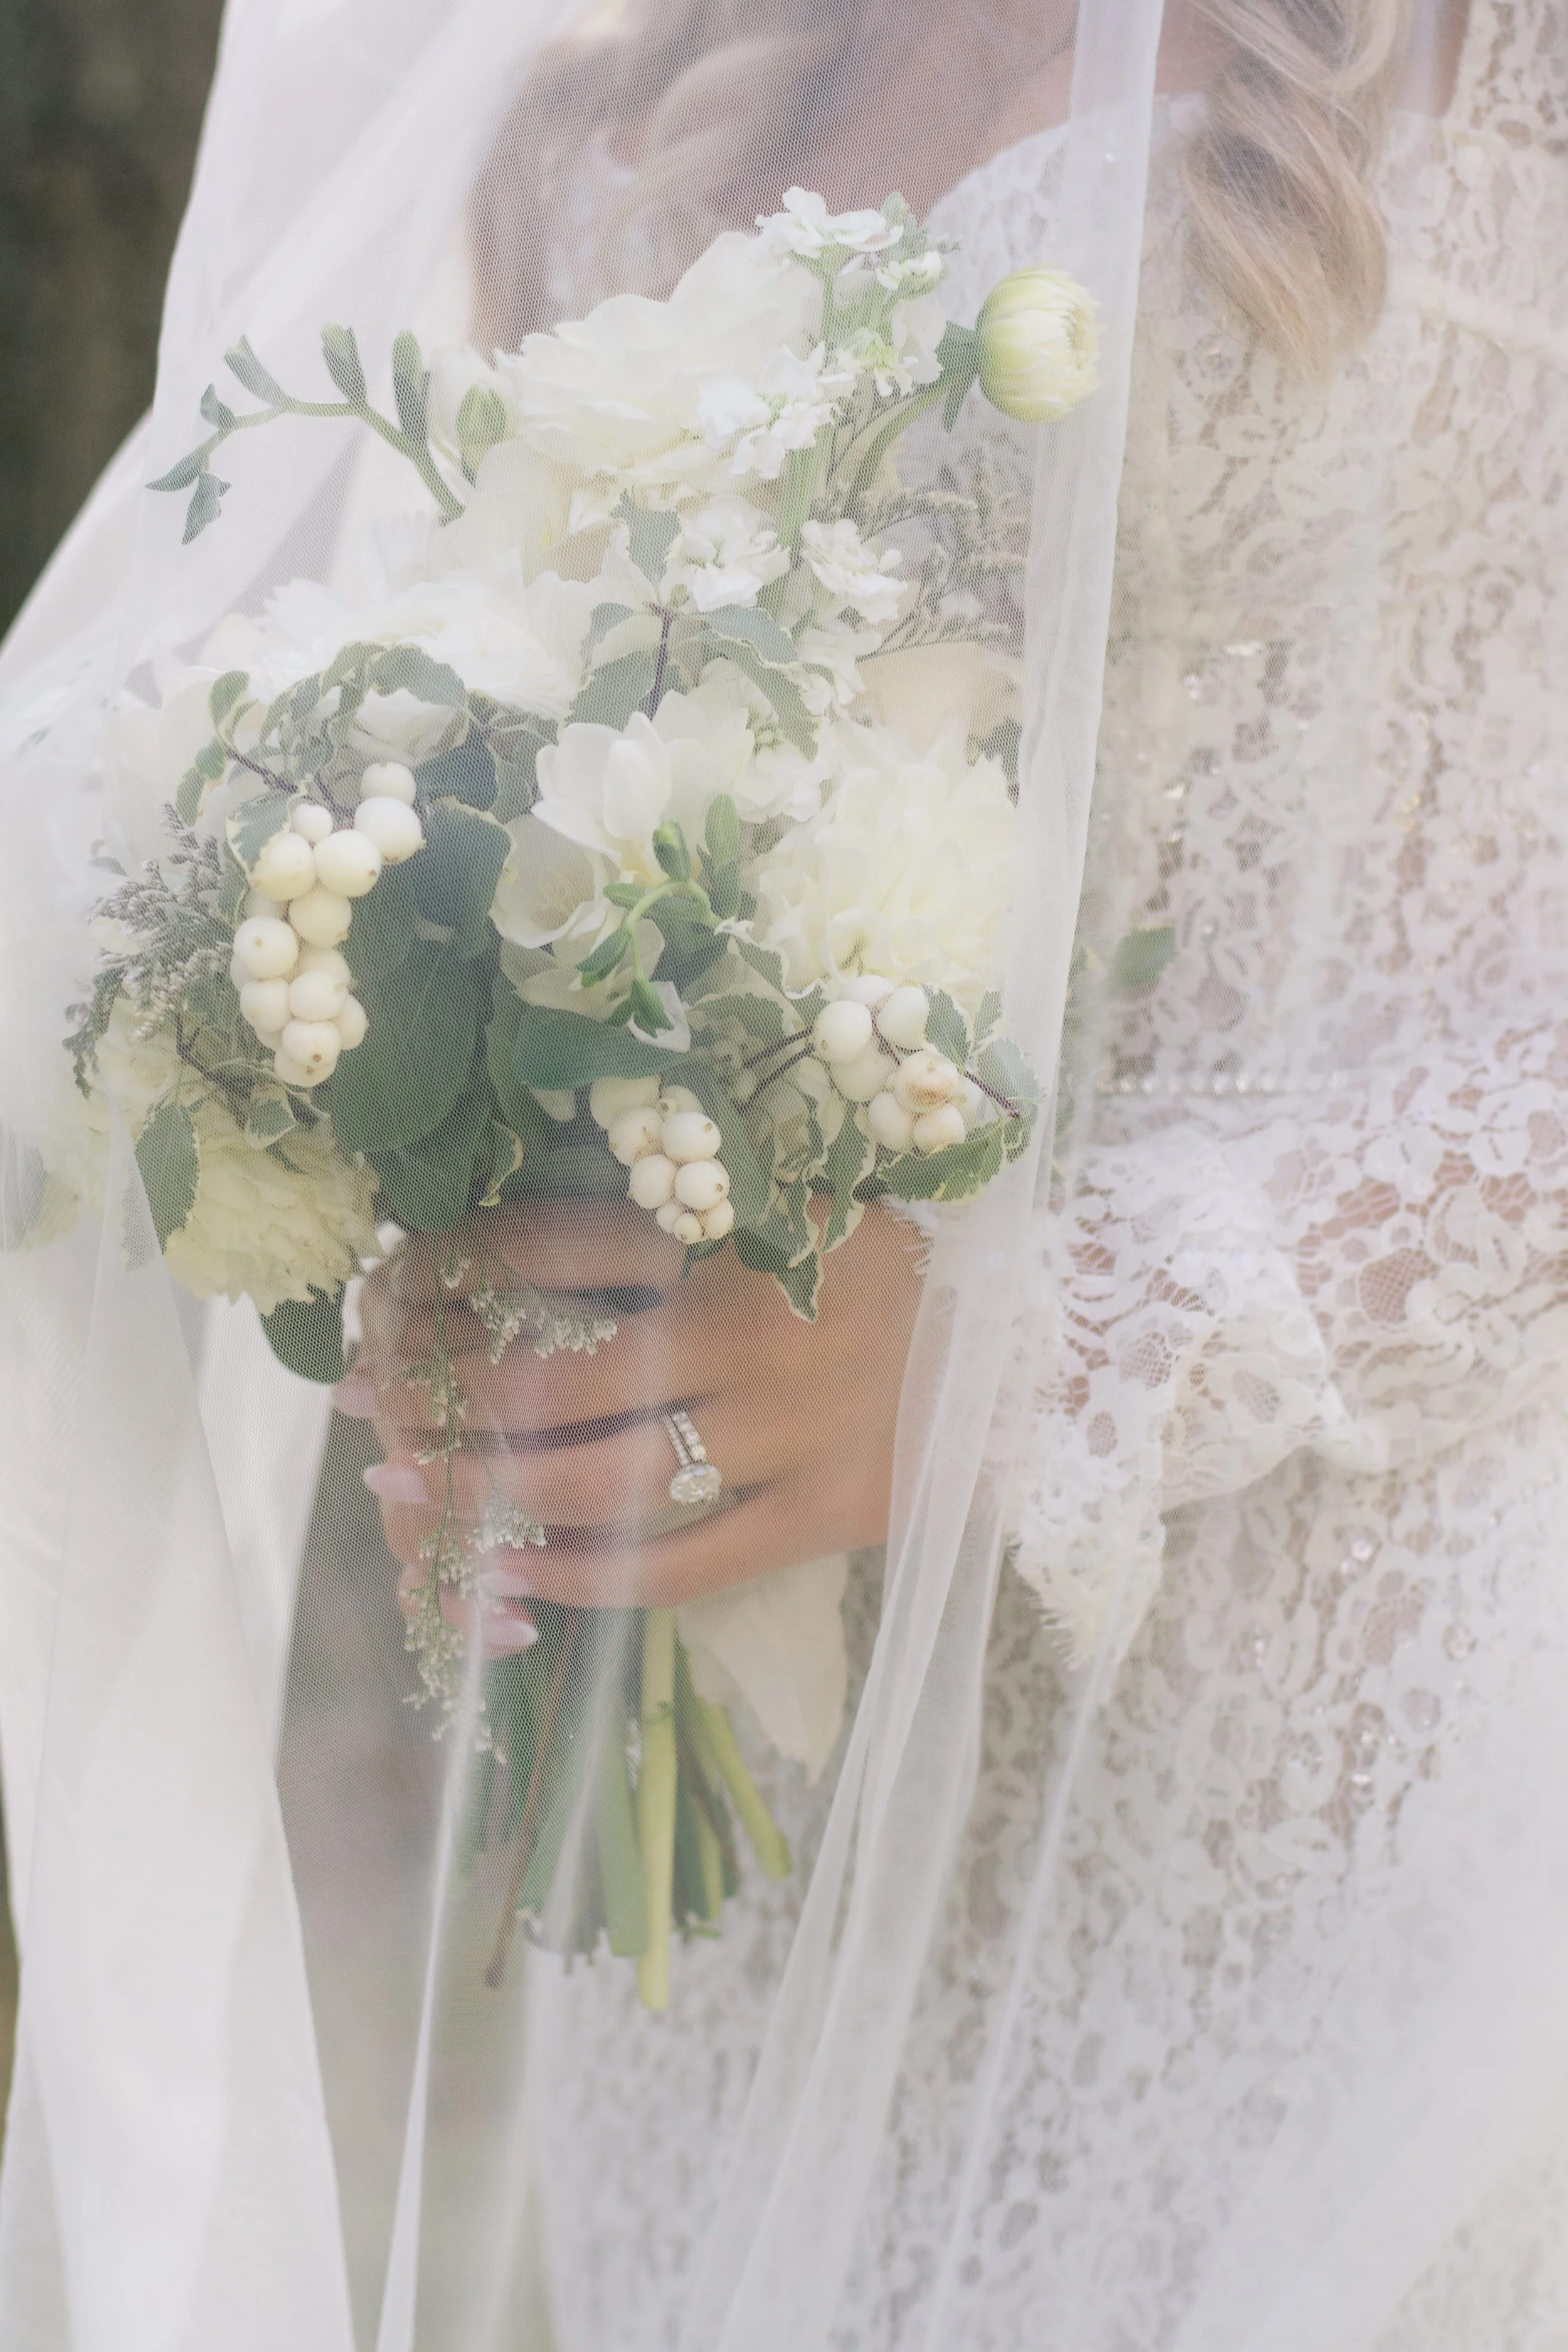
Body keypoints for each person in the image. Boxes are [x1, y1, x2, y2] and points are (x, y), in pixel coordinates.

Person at [1, 0, 1565, 2344]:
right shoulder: (654, 62)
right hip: (807, 1853)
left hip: (1395, 1763)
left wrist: (1032, 1338)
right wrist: (490, 1214)